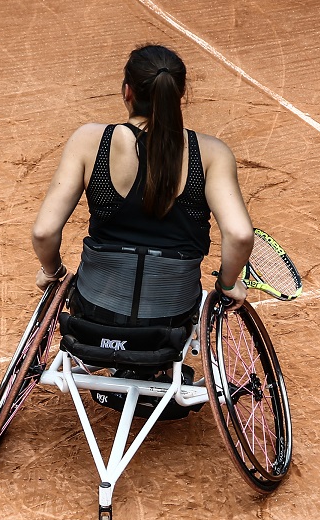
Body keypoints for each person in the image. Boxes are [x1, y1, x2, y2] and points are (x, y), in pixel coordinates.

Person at [30, 44, 255, 327]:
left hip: (96, 304)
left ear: (128, 91)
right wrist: (227, 283)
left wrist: (53, 271)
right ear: (180, 95)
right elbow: (240, 234)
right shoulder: (212, 154)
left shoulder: (88, 141)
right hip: (173, 312)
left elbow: (44, 232)